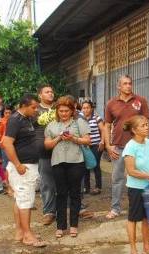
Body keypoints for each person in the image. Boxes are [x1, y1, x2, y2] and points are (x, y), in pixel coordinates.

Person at [2, 94, 46, 247]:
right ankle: (27, 235)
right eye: (33, 107)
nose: (35, 110)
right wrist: (18, 165)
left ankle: (20, 232)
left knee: (20, 199)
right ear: (24, 105)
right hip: (23, 167)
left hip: (27, 166)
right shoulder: (15, 120)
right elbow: (6, 143)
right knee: (26, 201)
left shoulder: (26, 119)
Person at [44, 96, 91, 238]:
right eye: (61, 111)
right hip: (58, 162)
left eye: (66, 111)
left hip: (76, 161)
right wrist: (58, 137)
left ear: (72, 111)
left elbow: (88, 140)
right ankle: (60, 226)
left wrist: (73, 138)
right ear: (57, 111)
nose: (63, 113)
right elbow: (47, 145)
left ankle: (74, 225)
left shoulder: (79, 123)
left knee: (75, 193)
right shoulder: (51, 125)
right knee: (61, 193)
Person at [104, 75, 149, 219]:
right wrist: (108, 145)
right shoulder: (111, 103)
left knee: (139, 177)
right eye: (125, 84)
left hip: (137, 146)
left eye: (130, 83)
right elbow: (107, 125)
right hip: (118, 147)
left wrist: (146, 143)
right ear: (119, 86)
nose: (128, 86)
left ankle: (141, 207)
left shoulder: (140, 101)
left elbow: (146, 122)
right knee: (117, 179)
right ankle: (115, 208)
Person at [122, 115, 149, 254]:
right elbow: (131, 171)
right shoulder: (130, 146)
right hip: (136, 188)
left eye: (147, 124)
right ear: (134, 130)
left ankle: (147, 248)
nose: (147, 127)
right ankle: (133, 250)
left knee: (147, 218)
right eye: (143, 125)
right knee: (133, 218)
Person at [34, 84, 57, 225]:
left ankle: (74, 207)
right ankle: (49, 211)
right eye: (47, 92)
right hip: (44, 150)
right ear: (40, 95)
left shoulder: (59, 107)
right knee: (47, 182)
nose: (50, 93)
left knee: (65, 180)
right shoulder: (35, 110)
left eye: (51, 91)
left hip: (62, 149)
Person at [81, 100, 106, 195]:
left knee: (95, 165)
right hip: (85, 146)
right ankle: (86, 187)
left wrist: (102, 141)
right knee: (85, 167)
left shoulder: (96, 117)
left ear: (91, 109)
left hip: (96, 145)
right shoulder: (80, 118)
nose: (86, 110)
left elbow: (103, 130)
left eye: (87, 108)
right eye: (84, 108)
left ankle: (98, 187)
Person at [0, 104, 14, 194]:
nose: (8, 114)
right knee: (6, 165)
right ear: (3, 113)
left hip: (14, 145)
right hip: (4, 146)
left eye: (10, 112)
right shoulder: (1, 121)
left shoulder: (15, 121)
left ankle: (12, 185)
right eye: (6, 112)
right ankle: (8, 185)